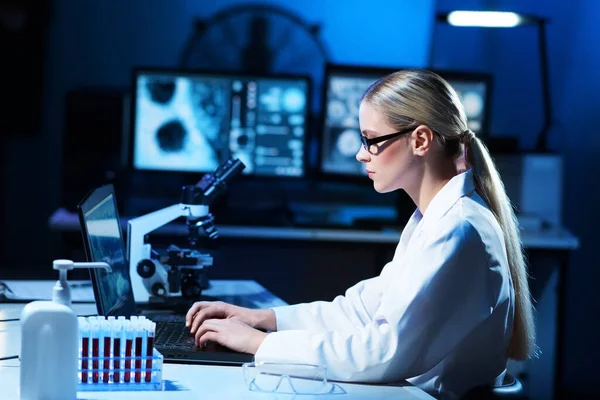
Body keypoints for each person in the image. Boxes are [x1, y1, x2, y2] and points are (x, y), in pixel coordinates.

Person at [185, 69, 537, 399]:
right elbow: (359, 311)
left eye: (371, 140)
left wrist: (258, 344)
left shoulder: (457, 230)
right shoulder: (435, 221)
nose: (360, 154)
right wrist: (263, 320)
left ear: (420, 140)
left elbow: (382, 353)